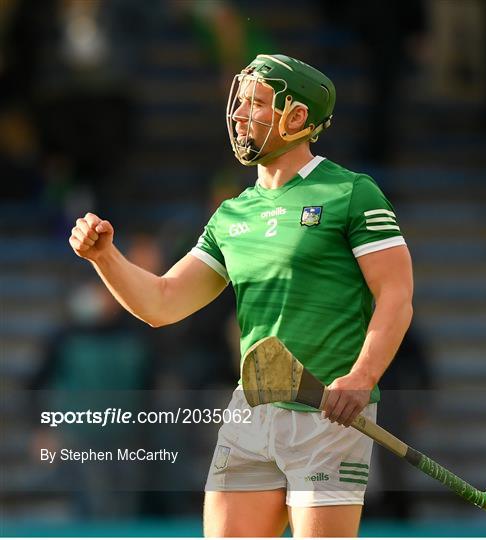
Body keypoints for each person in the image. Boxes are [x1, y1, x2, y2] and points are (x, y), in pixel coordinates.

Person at [69, 54, 413, 537]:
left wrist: (362, 376)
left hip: (328, 415)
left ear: (297, 118)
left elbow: (396, 295)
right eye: (241, 103)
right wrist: (105, 257)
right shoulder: (232, 215)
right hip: (251, 411)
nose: (239, 115)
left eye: (257, 104)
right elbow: (162, 303)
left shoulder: (352, 193)